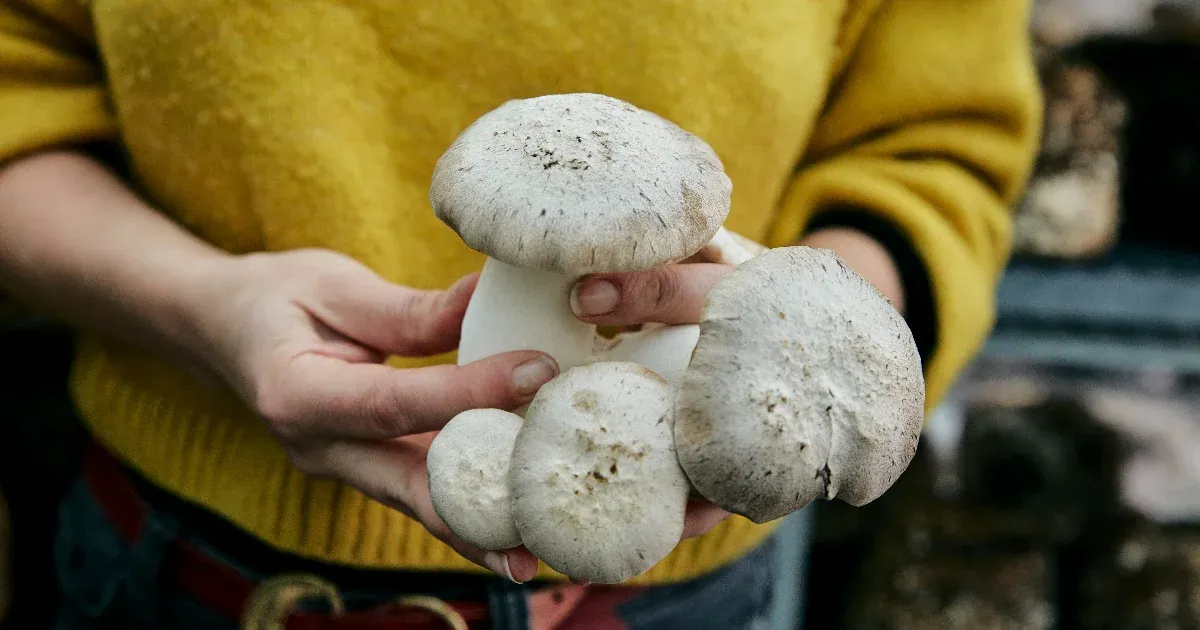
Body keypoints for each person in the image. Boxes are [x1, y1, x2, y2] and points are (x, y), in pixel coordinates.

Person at [0, 0, 1042, 628]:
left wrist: (799, 337)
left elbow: (933, 147)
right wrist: (194, 303)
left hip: (668, 588)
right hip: (172, 562)